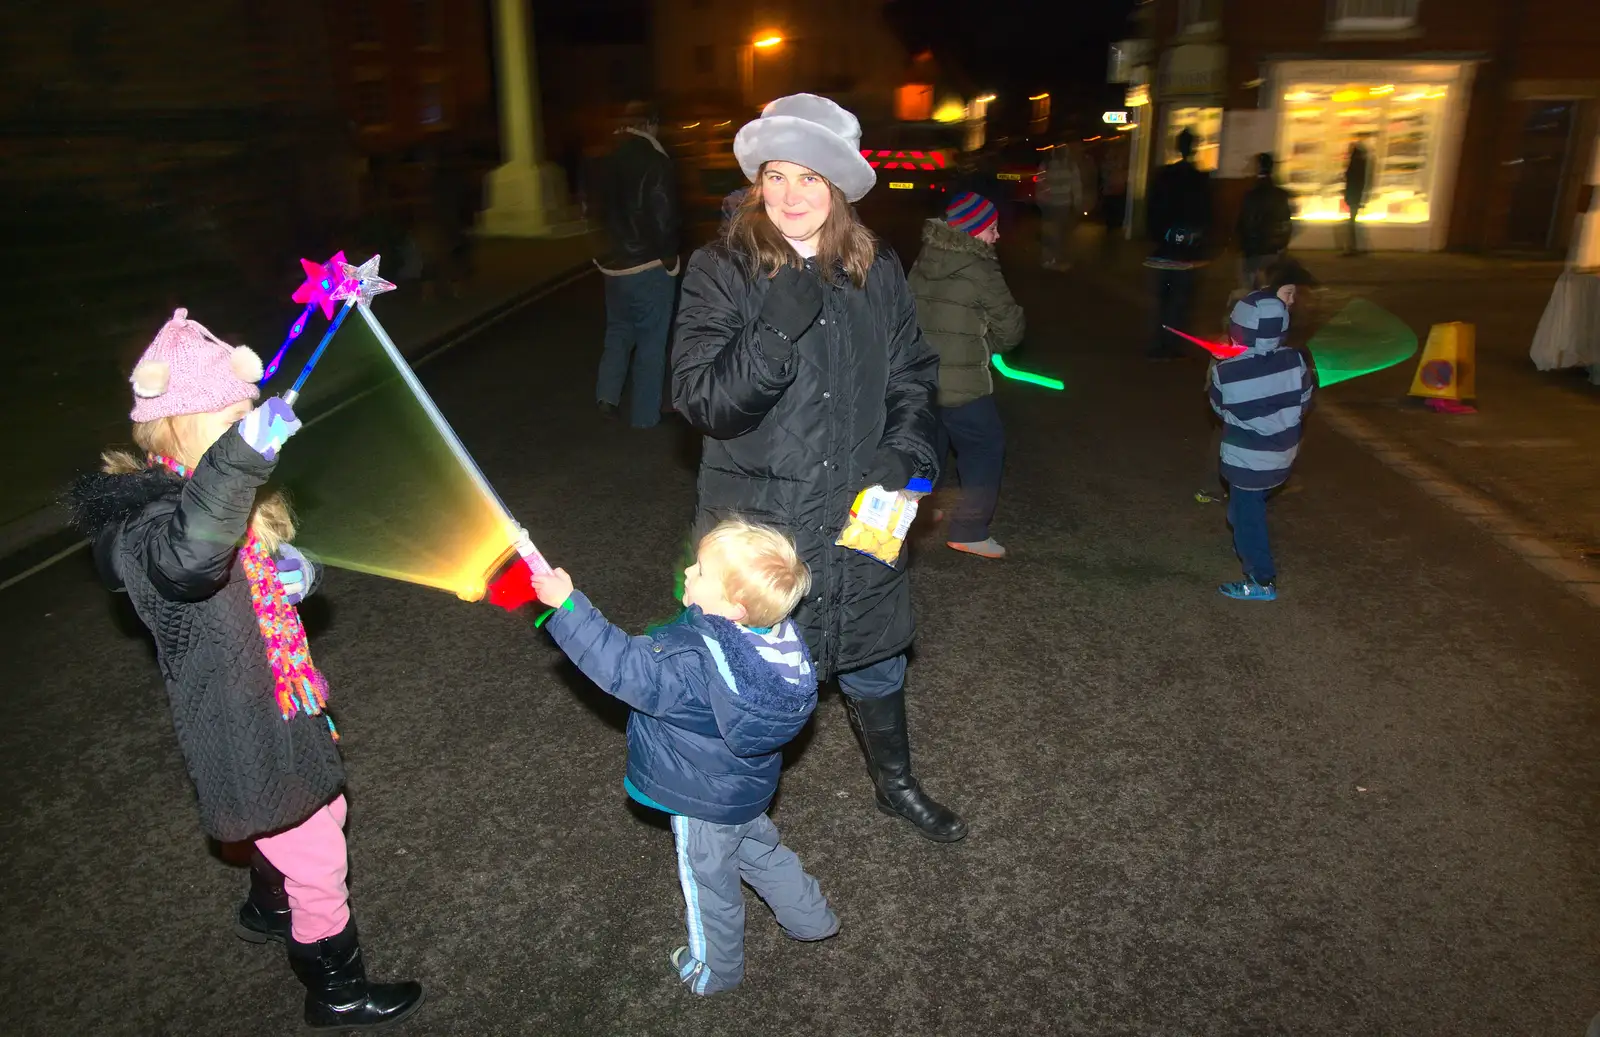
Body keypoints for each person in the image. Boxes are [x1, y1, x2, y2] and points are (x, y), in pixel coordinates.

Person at [64, 310, 423, 1030]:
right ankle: (335, 988)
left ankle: (269, 901)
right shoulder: (150, 524)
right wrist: (240, 457)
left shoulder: (211, 491)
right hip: (242, 718)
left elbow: (249, 562)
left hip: (269, 700)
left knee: (291, 818)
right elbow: (191, 559)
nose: (247, 430)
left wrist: (298, 572)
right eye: (230, 418)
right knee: (318, 841)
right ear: (177, 427)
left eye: (247, 415)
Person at [671, 93, 967, 842]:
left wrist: (907, 455)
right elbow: (704, 400)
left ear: (837, 188)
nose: (790, 195)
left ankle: (895, 783)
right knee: (750, 674)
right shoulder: (722, 268)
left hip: (863, 509)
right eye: (775, 176)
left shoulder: (876, 267)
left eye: (809, 178)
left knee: (875, 653)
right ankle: (723, 811)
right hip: (763, 526)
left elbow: (913, 375)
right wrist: (777, 318)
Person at [529, 519, 838, 995]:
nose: (688, 573)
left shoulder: (692, 665)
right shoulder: (777, 641)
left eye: (701, 571)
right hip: (746, 791)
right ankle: (813, 919)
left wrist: (568, 607)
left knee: (709, 886)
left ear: (734, 607)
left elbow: (623, 665)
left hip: (702, 801)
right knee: (763, 852)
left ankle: (714, 970)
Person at [907, 191, 1025, 559]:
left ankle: (920, 511)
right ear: (974, 232)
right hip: (963, 384)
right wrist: (993, 340)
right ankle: (969, 530)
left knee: (932, 446)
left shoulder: (926, 257)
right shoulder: (981, 269)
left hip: (921, 377)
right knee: (985, 446)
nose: (997, 236)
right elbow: (1011, 328)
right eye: (992, 229)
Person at [1209, 265, 1315, 601]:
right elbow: (1304, 401)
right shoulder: (1296, 360)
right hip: (1282, 454)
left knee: (1248, 515)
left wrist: (1218, 365)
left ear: (1237, 328)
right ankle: (1242, 519)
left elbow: (1219, 407)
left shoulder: (1228, 371)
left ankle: (1261, 580)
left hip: (1246, 459)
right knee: (1248, 504)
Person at [595, 101, 681, 428]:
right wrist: (669, 256)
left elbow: (595, 210)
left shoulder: (605, 160)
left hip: (613, 263)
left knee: (617, 331)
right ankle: (645, 416)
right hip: (647, 264)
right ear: (651, 123)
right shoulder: (656, 162)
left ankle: (607, 396)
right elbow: (663, 215)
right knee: (651, 339)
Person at [1145, 127, 1213, 358]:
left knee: (1165, 298)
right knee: (1181, 299)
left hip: (1165, 249)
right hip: (1188, 251)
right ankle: (1174, 343)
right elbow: (1207, 215)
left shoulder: (1165, 177)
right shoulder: (1200, 179)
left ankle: (1161, 341)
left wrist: (1158, 236)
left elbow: (1153, 211)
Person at [1235, 151, 1295, 290]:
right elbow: (1287, 224)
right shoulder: (1281, 195)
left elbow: (1244, 225)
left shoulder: (1251, 195)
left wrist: (1243, 246)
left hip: (1255, 252)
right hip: (1275, 250)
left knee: (1251, 289)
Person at [1037, 144, 1083, 270]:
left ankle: (1053, 259)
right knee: (1052, 233)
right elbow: (1040, 183)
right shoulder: (1047, 164)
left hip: (1062, 205)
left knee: (1059, 233)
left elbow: (1076, 184)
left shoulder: (1069, 165)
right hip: (1052, 205)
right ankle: (1049, 260)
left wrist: (1077, 202)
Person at [1342, 135, 1371, 257]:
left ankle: (1351, 247)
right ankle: (1352, 246)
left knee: (1351, 222)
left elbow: (1351, 180)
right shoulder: (1362, 164)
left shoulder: (1354, 164)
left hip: (1353, 195)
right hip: (1356, 195)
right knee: (1352, 221)